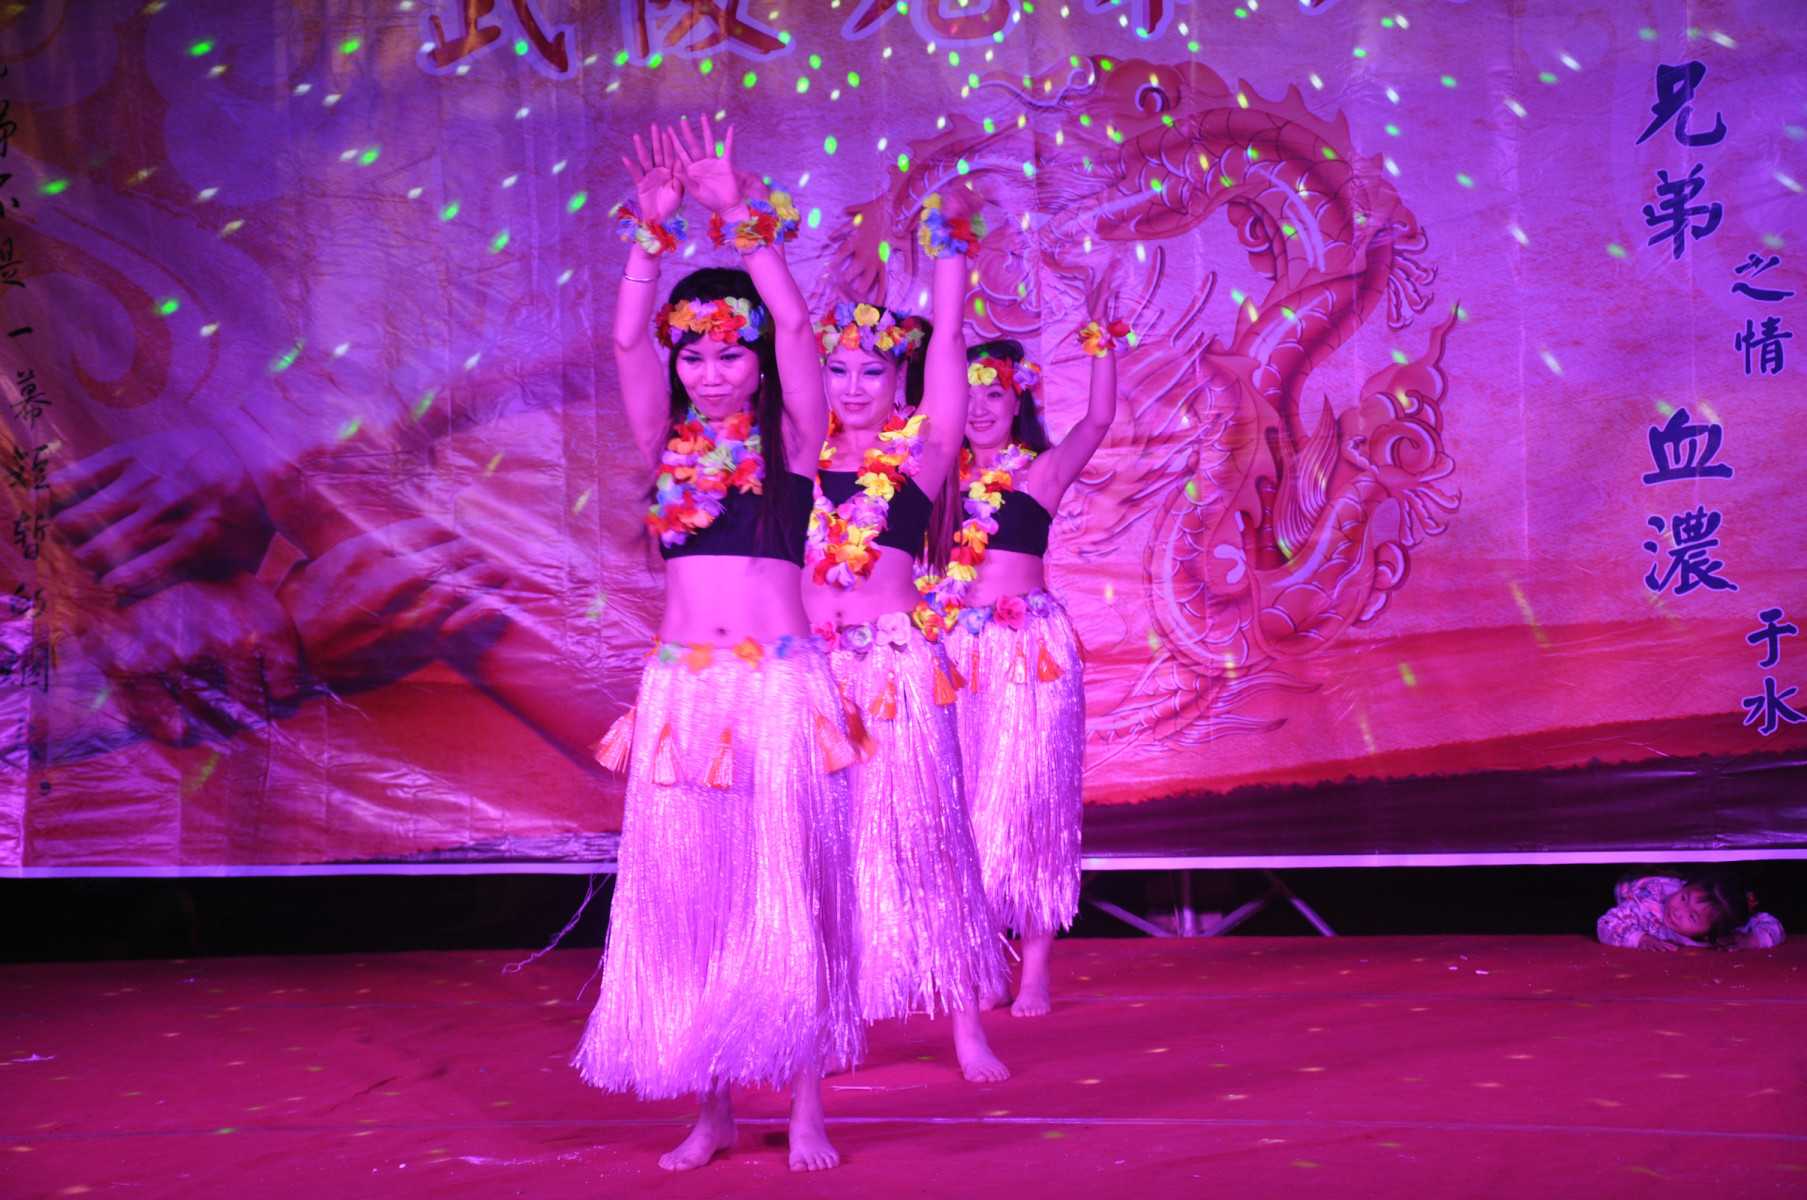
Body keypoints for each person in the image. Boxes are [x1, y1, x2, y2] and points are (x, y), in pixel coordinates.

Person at [571, 117, 861, 1174]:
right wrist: (646, 239)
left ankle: (808, 1105)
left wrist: (739, 216)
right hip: (682, 698)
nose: (709, 369)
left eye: (728, 350)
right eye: (691, 352)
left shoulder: (794, 445)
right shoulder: (667, 446)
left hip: (779, 692)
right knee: (696, 899)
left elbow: (797, 324)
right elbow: (622, 346)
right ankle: (713, 1108)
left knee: (787, 895)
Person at [801, 187, 1011, 1082]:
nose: (853, 388)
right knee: (820, 849)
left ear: (898, 383)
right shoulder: (788, 462)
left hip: (894, 667)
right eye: (837, 371)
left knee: (930, 839)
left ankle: (965, 1023)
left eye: (871, 373)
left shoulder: (920, 458)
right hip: (810, 674)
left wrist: (949, 248)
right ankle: (830, 1017)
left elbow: (950, 342)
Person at [922, 281, 1127, 1016]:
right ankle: (981, 955)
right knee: (962, 806)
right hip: (952, 649)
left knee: (1033, 803)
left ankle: (1035, 966)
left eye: (995, 394)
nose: (980, 408)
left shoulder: (1040, 471)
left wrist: (1101, 340)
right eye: (969, 394)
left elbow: (1098, 418)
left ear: (1018, 403)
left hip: (1027, 649)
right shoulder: (927, 477)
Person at [1597, 868, 1786, 951]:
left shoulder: (1723, 931)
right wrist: (1640, 938)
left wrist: (1752, 940)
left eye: (1692, 917)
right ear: (1684, 887)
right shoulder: (1649, 908)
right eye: (1683, 898)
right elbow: (1607, 922)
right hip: (1635, 882)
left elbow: (1771, 924)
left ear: (1708, 935)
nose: (1678, 911)